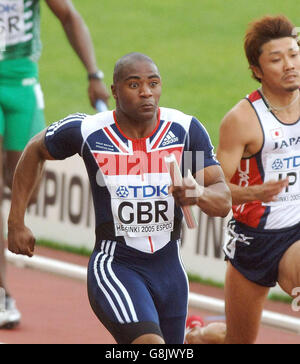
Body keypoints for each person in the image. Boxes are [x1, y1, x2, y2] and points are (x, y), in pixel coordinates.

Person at [7, 52, 231, 344]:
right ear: (115, 91)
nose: (146, 92)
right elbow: (35, 148)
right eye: (134, 85)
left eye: (153, 83)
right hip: (116, 265)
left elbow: (223, 198)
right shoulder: (88, 130)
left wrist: (198, 193)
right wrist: (16, 222)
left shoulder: (185, 130)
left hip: (170, 270)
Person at [0, 0, 109, 329]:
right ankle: (2, 292)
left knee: (23, 188)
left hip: (22, 83)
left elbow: (68, 15)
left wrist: (94, 74)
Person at [217, 14, 300, 344]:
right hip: (254, 240)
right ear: (256, 70)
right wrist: (253, 193)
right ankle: (200, 337)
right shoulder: (242, 120)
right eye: (277, 59)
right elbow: (211, 189)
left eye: (294, 54)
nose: (289, 65)